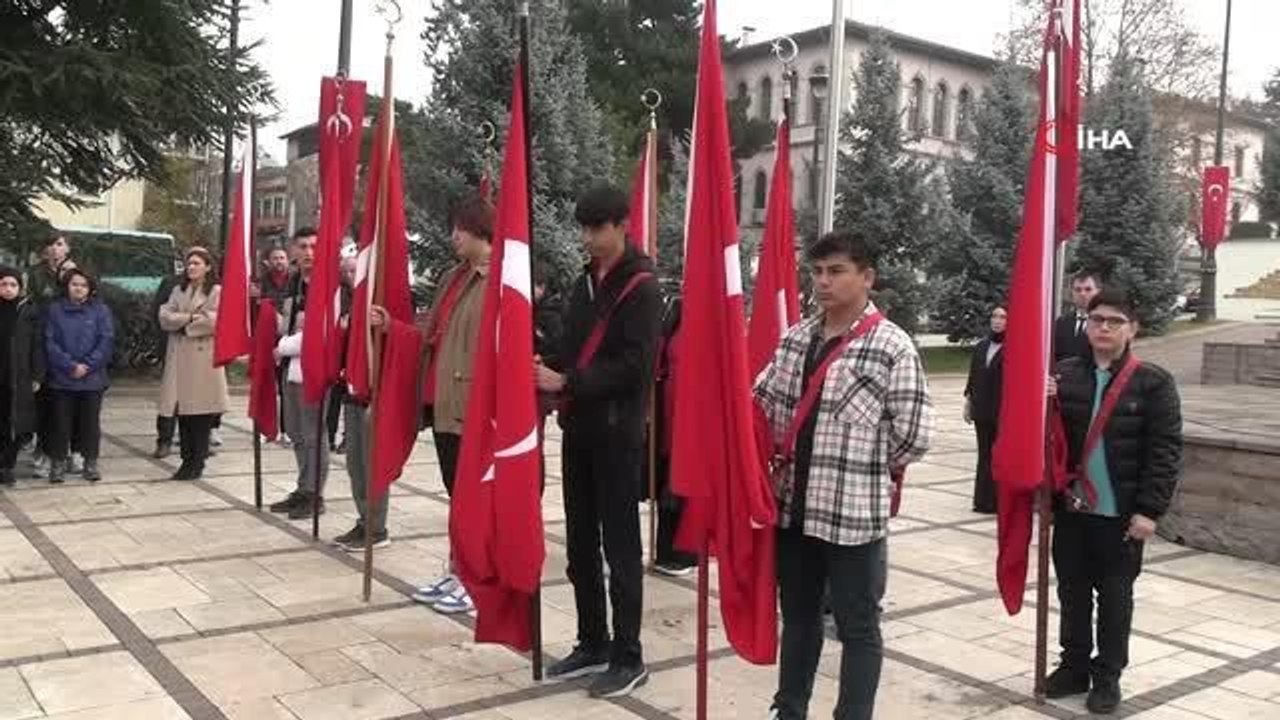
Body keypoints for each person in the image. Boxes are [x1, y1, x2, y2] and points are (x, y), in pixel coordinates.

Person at [754, 232, 933, 720]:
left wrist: (863, 468)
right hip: (794, 510)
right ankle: (788, 708)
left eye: (836, 271)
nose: (823, 282)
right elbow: (764, 403)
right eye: (817, 272)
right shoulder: (796, 337)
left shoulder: (890, 345)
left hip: (853, 517)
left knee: (858, 626)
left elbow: (915, 434)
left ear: (867, 277)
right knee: (799, 618)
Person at [534, 184, 662, 698]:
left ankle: (628, 656)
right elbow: (573, 348)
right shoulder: (584, 282)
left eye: (597, 228)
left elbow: (635, 367)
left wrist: (567, 382)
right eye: (583, 229)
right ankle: (593, 640)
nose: (588, 238)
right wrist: (547, 364)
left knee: (620, 547)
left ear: (621, 225)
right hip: (579, 431)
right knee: (580, 542)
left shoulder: (643, 288)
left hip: (617, 435)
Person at [1045, 289, 1182, 715]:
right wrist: (1042, 399)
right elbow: (1049, 441)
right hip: (1073, 511)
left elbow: (1165, 452)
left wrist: (1149, 511)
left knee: (1115, 600)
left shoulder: (1153, 382)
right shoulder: (1064, 375)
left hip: (1120, 517)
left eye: (1115, 321)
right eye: (1096, 319)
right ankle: (1073, 667)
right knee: (1072, 594)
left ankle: (1107, 677)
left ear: (1132, 329)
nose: (1104, 327)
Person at [401, 195, 491, 615]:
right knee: (457, 498)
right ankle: (458, 570)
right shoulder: (454, 277)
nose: (453, 236)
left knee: (474, 500)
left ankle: (478, 581)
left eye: (460, 228)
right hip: (443, 402)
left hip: (471, 405)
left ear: (479, 230)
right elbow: (434, 332)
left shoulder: (496, 281)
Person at [268, 228, 332, 519]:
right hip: (289, 366)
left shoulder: (330, 286)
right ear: (294, 251)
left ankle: (314, 493)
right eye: (303, 246)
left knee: (313, 433)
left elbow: (321, 334)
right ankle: (303, 487)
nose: (309, 253)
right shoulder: (294, 284)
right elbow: (288, 324)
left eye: (314, 247)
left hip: (315, 370)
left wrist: (282, 346)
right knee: (294, 431)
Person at [330, 253, 389, 552]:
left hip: (374, 394)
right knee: (355, 464)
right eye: (348, 271)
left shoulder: (380, 301)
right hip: (350, 391)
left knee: (372, 462)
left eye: (357, 270)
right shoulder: (348, 304)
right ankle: (364, 518)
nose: (353, 276)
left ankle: (377, 527)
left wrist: (386, 325)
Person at [157, 247, 230, 480]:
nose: (191, 267)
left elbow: (215, 320)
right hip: (179, 357)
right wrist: (189, 318)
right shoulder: (179, 290)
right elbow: (164, 316)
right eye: (189, 264)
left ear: (208, 267)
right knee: (184, 414)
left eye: (197, 263)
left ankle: (197, 461)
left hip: (203, 359)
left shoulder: (216, 291)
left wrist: (183, 323)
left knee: (201, 414)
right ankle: (186, 461)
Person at [43, 269, 114, 484]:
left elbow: (106, 341)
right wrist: (69, 365)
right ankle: (57, 464)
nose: (79, 288)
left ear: (90, 288)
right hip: (62, 378)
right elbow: (49, 341)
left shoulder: (100, 311)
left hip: (92, 379)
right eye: (75, 284)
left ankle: (90, 462)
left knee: (90, 423)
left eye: (83, 285)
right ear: (67, 286)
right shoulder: (54, 310)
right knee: (60, 423)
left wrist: (88, 365)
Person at [650, 294, 697, 576]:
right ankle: (665, 550)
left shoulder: (711, 315)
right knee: (668, 480)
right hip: (669, 411)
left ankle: (686, 553)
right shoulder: (677, 311)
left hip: (692, 413)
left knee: (685, 483)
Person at [27, 233, 77, 479]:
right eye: (50, 244)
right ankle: (42, 450)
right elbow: (31, 305)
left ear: (67, 248)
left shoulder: (75, 273)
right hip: (42, 340)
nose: (54, 249)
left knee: (68, 401)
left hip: (70, 341)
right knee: (44, 400)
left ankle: (69, 449)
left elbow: (82, 299)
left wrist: (67, 277)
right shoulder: (35, 274)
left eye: (59, 244)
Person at [0, 267, 43, 486]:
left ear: (20, 287)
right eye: (3, 284)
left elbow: (37, 345)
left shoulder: (27, 310)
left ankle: (7, 466)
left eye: (12, 285)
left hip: (19, 377)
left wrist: (37, 375)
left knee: (15, 424)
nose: (8, 289)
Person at [963, 305, 1007, 514]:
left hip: (1002, 412)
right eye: (995, 316)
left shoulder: (1014, 347)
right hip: (982, 411)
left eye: (1003, 317)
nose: (997, 320)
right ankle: (982, 500)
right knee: (984, 455)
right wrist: (968, 402)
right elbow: (974, 376)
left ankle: (997, 500)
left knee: (999, 456)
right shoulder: (982, 346)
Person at [151, 258, 184, 459]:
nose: (193, 267)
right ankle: (164, 440)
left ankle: (197, 441)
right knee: (170, 399)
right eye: (190, 262)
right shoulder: (172, 283)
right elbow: (160, 314)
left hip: (201, 353)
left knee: (197, 400)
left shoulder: (212, 288)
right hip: (173, 347)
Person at [326, 254, 357, 453]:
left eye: (353, 270)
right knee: (335, 398)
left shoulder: (367, 291)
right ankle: (328, 436)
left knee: (352, 399)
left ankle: (349, 438)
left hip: (356, 354)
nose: (349, 274)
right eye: (346, 271)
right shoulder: (340, 294)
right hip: (339, 354)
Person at [1054, 271, 1101, 362]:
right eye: (1078, 290)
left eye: (1088, 289)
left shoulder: (1103, 323)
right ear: (1072, 293)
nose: (1082, 294)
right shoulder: (1061, 322)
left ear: (1098, 292)